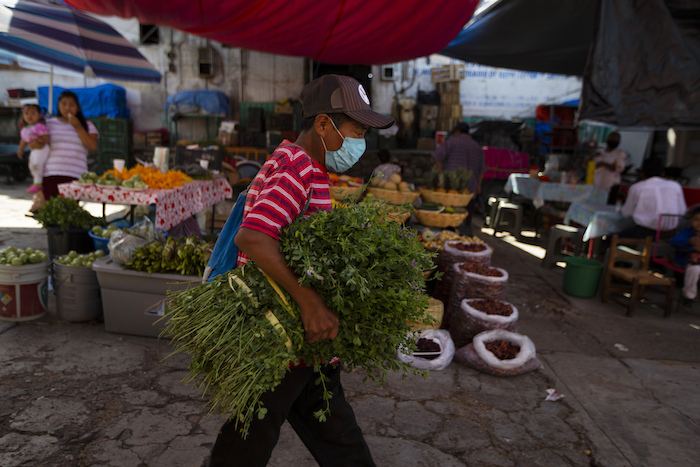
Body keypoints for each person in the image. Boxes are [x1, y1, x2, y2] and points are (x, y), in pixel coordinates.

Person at [208, 74, 394, 467]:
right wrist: (311, 303)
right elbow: (254, 236)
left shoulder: (303, 163)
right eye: (356, 131)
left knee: (331, 428)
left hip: (300, 339)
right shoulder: (299, 168)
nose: (360, 143)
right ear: (324, 124)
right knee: (250, 435)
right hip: (280, 333)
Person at [430, 122, 486, 235]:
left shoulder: (451, 142)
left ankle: (446, 236)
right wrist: (479, 185)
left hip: (451, 188)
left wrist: (442, 175)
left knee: (449, 216)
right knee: (466, 216)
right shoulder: (476, 146)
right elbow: (482, 169)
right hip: (470, 188)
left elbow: (436, 156)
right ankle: (464, 238)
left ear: (457, 132)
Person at [42, 90, 98, 202]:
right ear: (58, 106)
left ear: (78, 107)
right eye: (64, 104)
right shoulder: (48, 123)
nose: (67, 108)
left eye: (71, 105)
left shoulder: (87, 125)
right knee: (52, 212)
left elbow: (92, 146)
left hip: (76, 175)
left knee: (70, 212)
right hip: (51, 174)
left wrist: (78, 127)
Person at [619, 158, 686, 239]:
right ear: (663, 173)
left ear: (642, 174)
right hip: (670, 234)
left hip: (644, 233)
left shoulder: (637, 187)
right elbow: (682, 211)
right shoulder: (675, 186)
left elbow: (627, 213)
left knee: (611, 238)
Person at [17, 104, 50, 195]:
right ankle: (36, 181)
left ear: (39, 115)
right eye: (26, 113)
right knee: (32, 166)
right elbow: (23, 141)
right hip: (34, 150)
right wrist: (20, 150)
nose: (29, 116)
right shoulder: (24, 129)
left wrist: (40, 139)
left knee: (37, 164)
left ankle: (38, 183)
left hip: (42, 149)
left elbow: (46, 137)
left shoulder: (40, 126)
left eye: (33, 113)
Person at [670, 205, 700, 308]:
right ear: (691, 220)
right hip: (688, 263)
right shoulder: (687, 233)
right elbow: (674, 241)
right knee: (694, 270)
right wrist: (689, 242)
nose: (699, 223)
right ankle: (688, 296)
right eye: (696, 219)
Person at [592, 131, 627, 197]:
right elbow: (590, 164)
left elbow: (618, 168)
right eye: (611, 138)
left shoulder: (620, 153)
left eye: (615, 139)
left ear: (618, 141)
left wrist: (603, 164)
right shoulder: (599, 151)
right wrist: (592, 156)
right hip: (596, 182)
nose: (612, 140)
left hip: (610, 184)